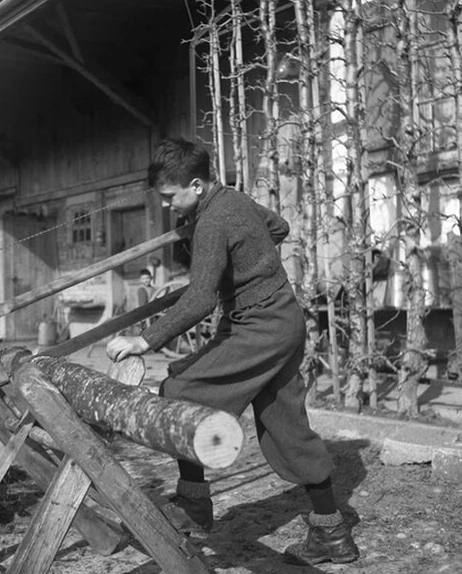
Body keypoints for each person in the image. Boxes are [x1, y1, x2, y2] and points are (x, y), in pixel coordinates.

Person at [106, 138, 359, 566]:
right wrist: (245, 262)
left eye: (171, 197)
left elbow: (201, 299)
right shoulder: (234, 200)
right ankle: (332, 534)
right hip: (283, 319)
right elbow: (277, 226)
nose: (168, 206)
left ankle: (192, 505)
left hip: (260, 326)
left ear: (196, 184)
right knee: (287, 425)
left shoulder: (211, 222)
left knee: (179, 388)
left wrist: (143, 340)